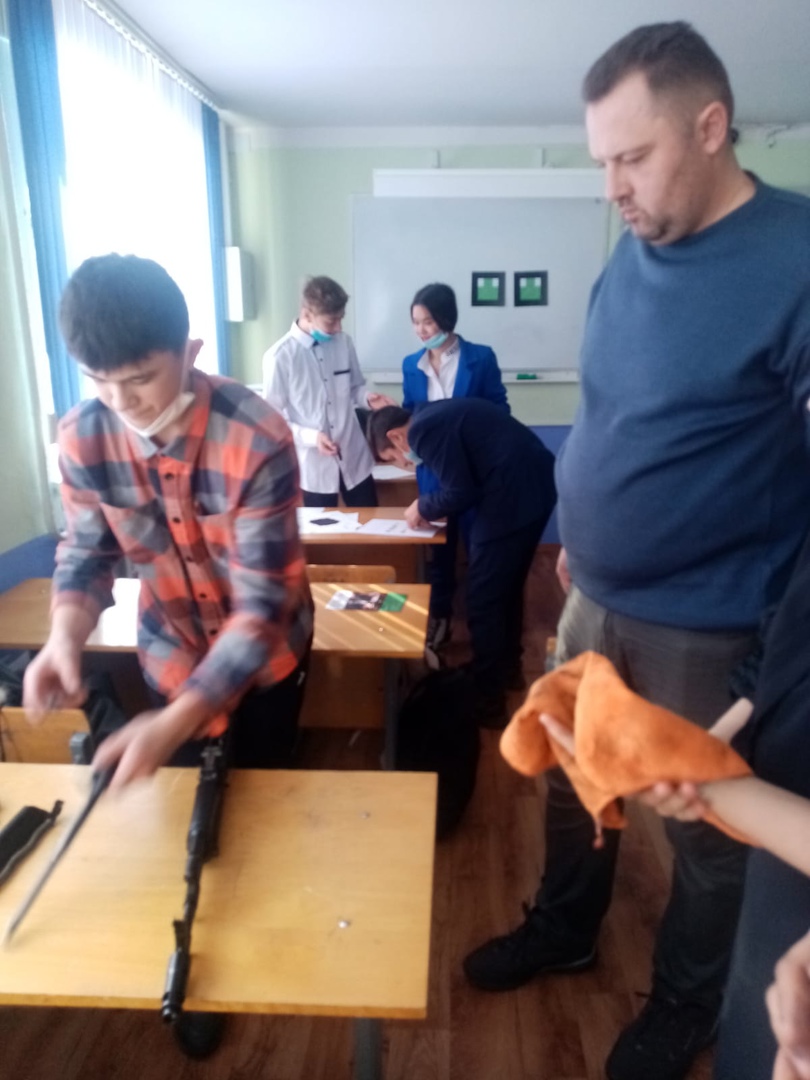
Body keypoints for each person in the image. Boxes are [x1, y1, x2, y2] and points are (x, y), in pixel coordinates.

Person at [461, 21, 810, 1080]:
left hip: (710, 623)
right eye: (601, 161)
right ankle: (565, 927)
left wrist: (770, 662)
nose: (613, 185)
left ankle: (686, 1003)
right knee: (573, 780)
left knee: (707, 826)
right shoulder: (634, 252)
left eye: (633, 156)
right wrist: (580, 533)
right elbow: (616, 414)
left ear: (710, 127)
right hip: (593, 595)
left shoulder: (796, 257)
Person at [22, 253, 315, 1058]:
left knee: (263, 807)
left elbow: (262, 608)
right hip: (171, 655)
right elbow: (86, 554)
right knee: (185, 820)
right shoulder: (83, 436)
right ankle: (192, 959)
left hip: (269, 662)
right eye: (99, 381)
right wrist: (64, 638)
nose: (122, 402)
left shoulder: (255, 433)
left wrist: (173, 722)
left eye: (141, 379)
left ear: (188, 353)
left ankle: (253, 948)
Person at [367, 401, 555, 728]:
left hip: (513, 497)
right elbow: (464, 481)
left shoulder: (422, 431)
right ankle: (506, 670)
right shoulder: (429, 415)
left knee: (483, 598)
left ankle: (489, 700)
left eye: (393, 458)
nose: (403, 464)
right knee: (506, 589)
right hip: (533, 487)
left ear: (396, 436)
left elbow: (460, 491)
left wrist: (422, 506)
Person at [401, 283, 509, 657]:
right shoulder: (411, 365)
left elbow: (499, 411)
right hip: (435, 475)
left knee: (480, 551)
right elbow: (412, 416)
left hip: (476, 474)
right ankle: (440, 617)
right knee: (440, 554)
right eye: (416, 322)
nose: (421, 330)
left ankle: (484, 628)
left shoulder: (480, 358)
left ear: (446, 319)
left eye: (428, 322)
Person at [263, 275, 393, 508]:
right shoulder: (280, 357)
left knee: (371, 523)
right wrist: (312, 438)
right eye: (332, 321)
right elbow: (273, 422)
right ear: (307, 315)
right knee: (321, 529)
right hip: (314, 466)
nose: (339, 328)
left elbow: (355, 388)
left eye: (341, 319)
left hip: (354, 457)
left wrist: (368, 398)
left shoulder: (344, 343)